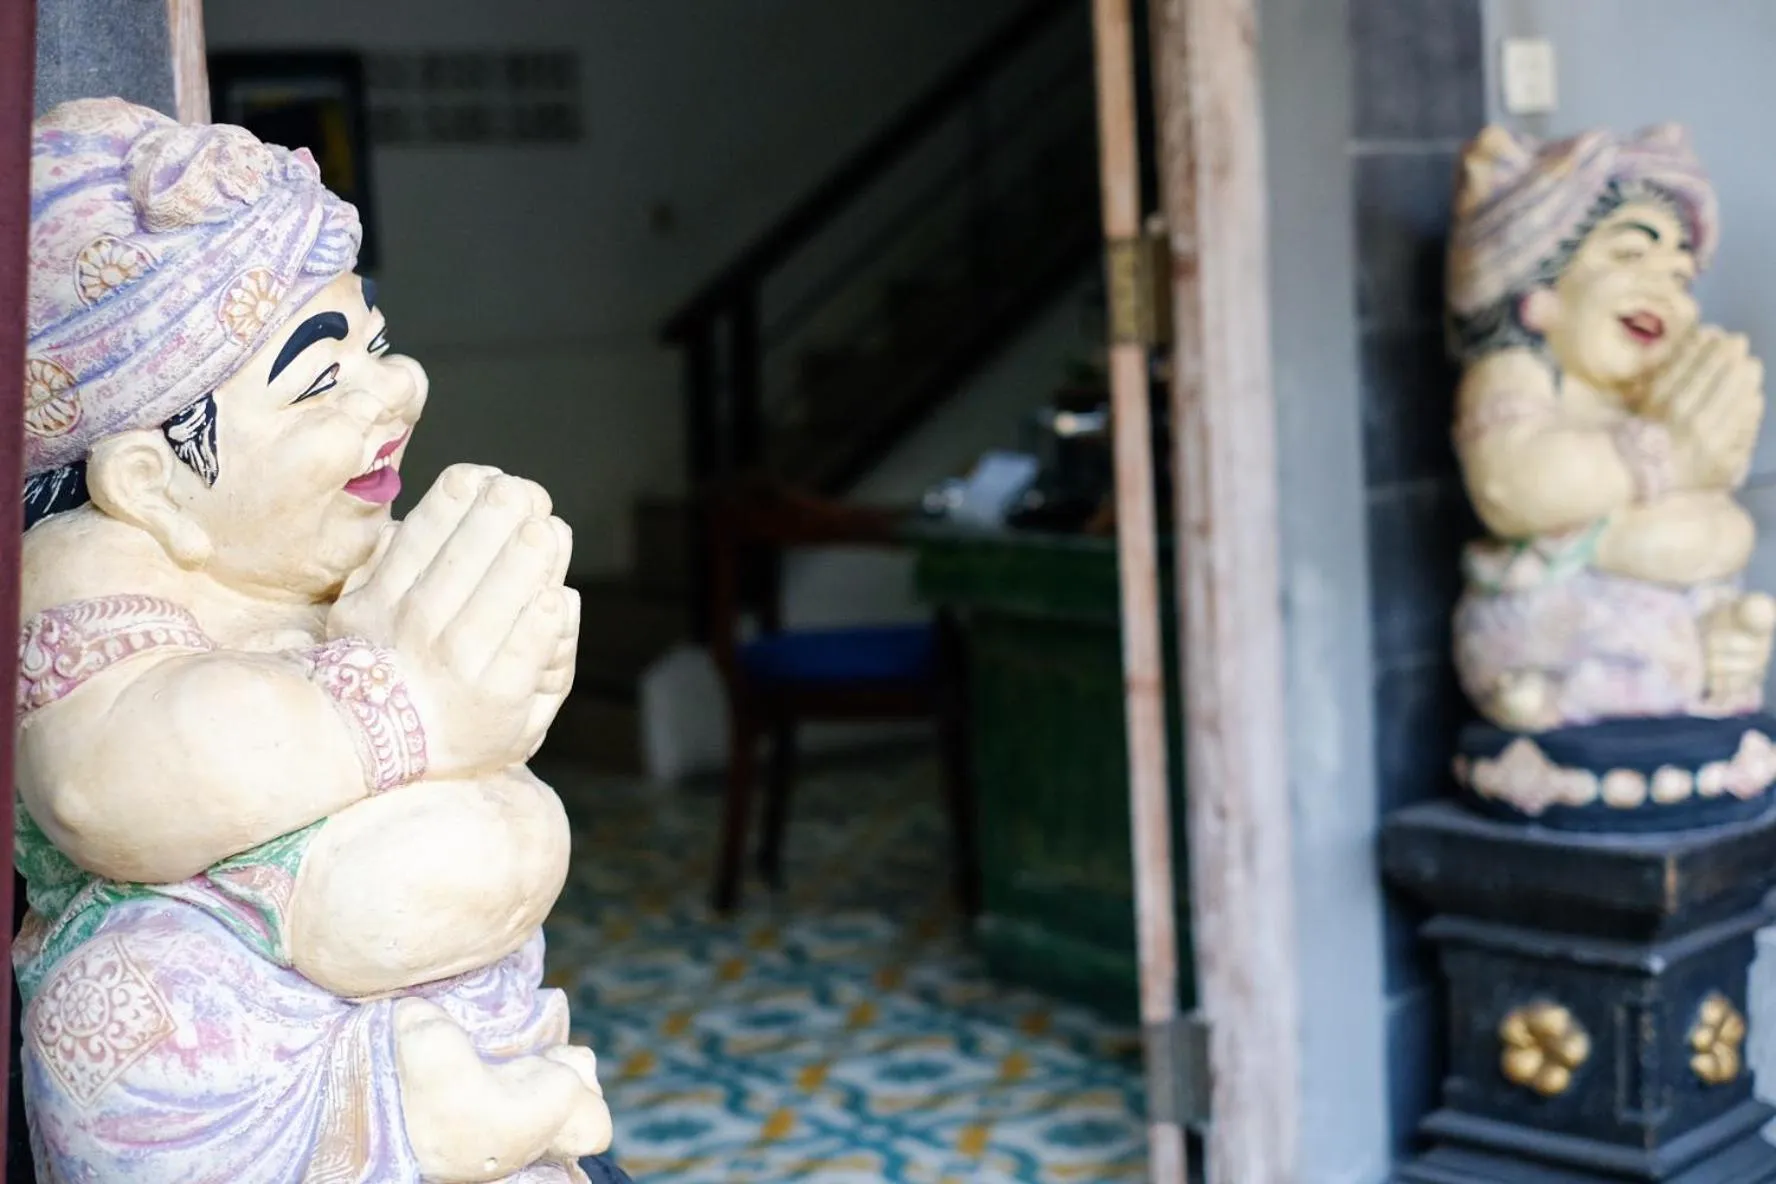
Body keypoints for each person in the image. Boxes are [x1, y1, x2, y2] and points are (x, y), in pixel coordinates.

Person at [15, 97, 627, 1183]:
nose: (399, 388)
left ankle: (460, 1086)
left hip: (425, 984)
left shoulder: (330, 547)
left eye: (376, 344)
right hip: (249, 1027)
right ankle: (387, 1114)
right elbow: (106, 788)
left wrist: (507, 674)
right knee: (121, 1004)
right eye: (321, 380)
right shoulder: (91, 567)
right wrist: (409, 701)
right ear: (152, 481)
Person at [1446, 123, 1776, 732]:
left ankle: (1710, 665)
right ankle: (1562, 693)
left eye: (1679, 277)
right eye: (1629, 255)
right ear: (1538, 287)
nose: (1665, 292)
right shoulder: (1516, 376)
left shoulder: (1644, 392)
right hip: (1552, 645)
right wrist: (1670, 455)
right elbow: (1510, 487)